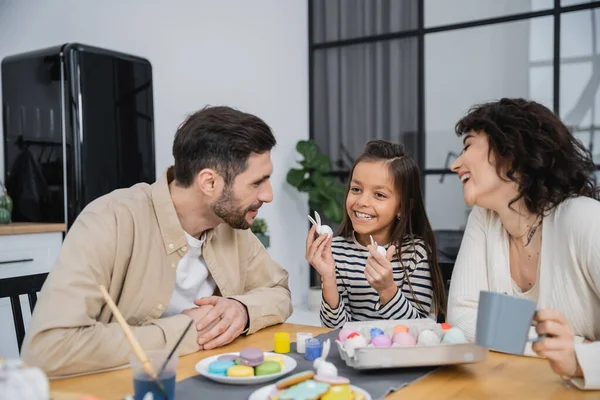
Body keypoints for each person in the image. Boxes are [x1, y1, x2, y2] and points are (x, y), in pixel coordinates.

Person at [21, 106, 293, 377]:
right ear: (209, 183)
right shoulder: (109, 221)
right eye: (257, 182)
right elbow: (47, 348)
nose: (268, 195)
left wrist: (242, 310)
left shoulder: (231, 225)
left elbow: (278, 290)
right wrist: (185, 331)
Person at [447, 98, 600, 390]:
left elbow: (477, 324)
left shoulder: (585, 219)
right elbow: (462, 319)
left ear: (511, 151)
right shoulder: (484, 217)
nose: (456, 164)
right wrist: (577, 346)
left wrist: (580, 361)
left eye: (467, 146)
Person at [306, 140, 446, 328]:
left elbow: (418, 329)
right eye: (356, 189)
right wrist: (328, 278)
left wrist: (387, 289)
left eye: (379, 195)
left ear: (402, 208)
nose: (362, 201)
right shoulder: (337, 250)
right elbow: (334, 329)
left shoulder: (415, 253)